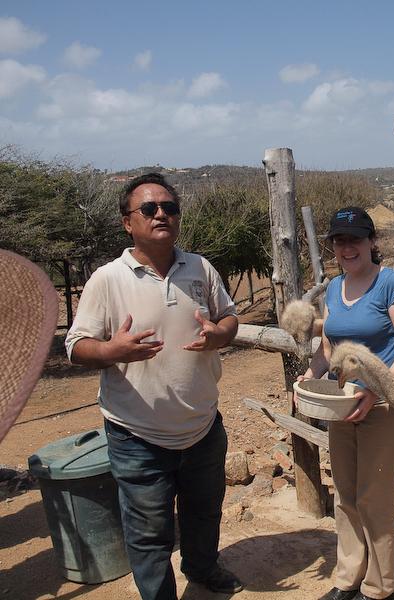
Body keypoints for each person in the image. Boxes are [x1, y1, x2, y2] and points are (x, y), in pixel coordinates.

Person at [65, 172, 243, 600]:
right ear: (128, 222)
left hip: (202, 426)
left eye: (169, 207)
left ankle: (202, 569)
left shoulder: (200, 267)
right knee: (149, 533)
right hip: (137, 435)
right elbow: (75, 346)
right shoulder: (107, 279)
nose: (161, 214)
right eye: (149, 208)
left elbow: (229, 317)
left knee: (204, 514)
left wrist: (221, 335)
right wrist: (111, 352)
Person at [298, 206, 394, 600]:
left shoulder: (392, 285)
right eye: (339, 240)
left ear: (372, 242)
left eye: (355, 239)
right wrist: (312, 374)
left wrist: (378, 388)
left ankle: (378, 586)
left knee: (374, 493)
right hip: (344, 403)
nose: (347, 247)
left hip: (383, 406)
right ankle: (347, 577)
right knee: (347, 493)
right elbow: (329, 346)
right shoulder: (334, 288)